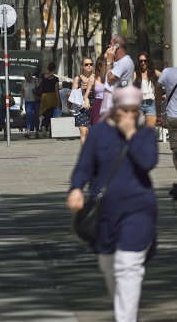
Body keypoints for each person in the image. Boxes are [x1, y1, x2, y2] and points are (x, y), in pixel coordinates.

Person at [67, 84, 157, 322]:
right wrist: (76, 188)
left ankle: (125, 319)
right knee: (109, 266)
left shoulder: (145, 134)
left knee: (127, 266)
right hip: (105, 213)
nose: (130, 115)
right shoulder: (98, 133)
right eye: (125, 110)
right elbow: (84, 166)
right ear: (116, 109)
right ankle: (124, 313)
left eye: (134, 110)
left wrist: (131, 135)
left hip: (139, 211)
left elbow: (148, 162)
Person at [156, 57, 177, 198]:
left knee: (175, 149)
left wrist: (158, 113)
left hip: (172, 116)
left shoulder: (167, 72)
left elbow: (157, 89)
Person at [101, 35, 135, 114]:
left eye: (111, 43)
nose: (109, 46)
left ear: (117, 45)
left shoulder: (125, 61)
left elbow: (109, 79)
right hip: (109, 107)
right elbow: (103, 78)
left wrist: (109, 60)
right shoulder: (116, 62)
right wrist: (105, 60)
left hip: (117, 107)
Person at [71, 56, 96, 145]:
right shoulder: (77, 79)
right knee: (83, 132)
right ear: (82, 66)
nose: (89, 66)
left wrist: (92, 87)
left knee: (93, 134)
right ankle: (85, 155)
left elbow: (101, 92)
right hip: (81, 108)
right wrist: (80, 89)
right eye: (86, 64)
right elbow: (72, 94)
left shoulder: (96, 77)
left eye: (91, 64)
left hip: (94, 107)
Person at [135, 52, 160, 128]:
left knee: (149, 131)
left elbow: (165, 78)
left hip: (151, 104)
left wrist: (165, 92)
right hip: (138, 104)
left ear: (148, 61)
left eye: (145, 61)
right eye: (141, 61)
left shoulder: (153, 72)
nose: (143, 63)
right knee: (137, 130)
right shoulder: (135, 74)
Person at [38, 62, 59, 134]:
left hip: (44, 96)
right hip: (52, 96)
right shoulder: (55, 79)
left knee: (44, 111)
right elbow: (56, 90)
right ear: (54, 68)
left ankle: (44, 125)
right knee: (51, 112)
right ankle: (45, 125)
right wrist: (58, 101)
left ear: (48, 68)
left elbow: (39, 85)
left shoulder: (43, 76)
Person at [21, 70, 40, 138]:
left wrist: (35, 90)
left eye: (27, 77)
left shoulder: (35, 80)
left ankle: (37, 131)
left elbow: (39, 90)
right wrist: (21, 102)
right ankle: (28, 131)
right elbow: (22, 93)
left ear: (30, 76)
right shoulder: (23, 83)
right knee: (28, 116)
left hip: (36, 101)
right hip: (28, 101)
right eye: (25, 77)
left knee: (36, 116)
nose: (27, 79)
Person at [90, 54, 107, 125]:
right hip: (98, 104)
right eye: (105, 66)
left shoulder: (110, 78)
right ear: (99, 67)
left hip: (108, 103)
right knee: (97, 126)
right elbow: (87, 94)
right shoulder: (93, 79)